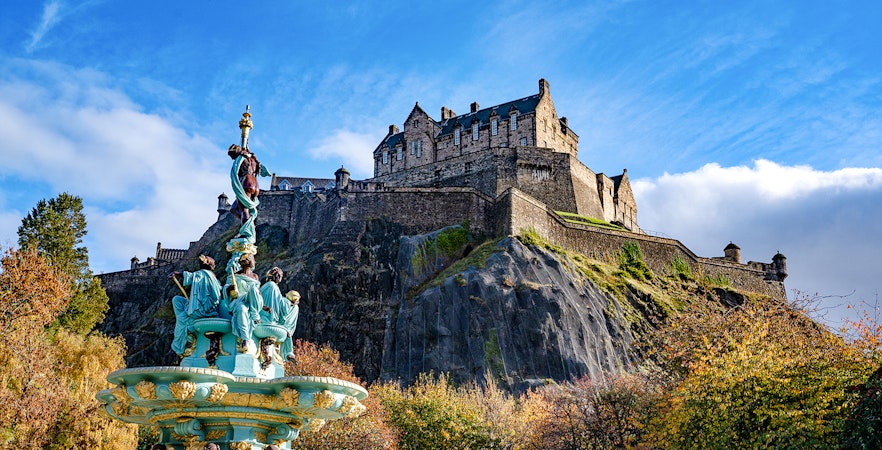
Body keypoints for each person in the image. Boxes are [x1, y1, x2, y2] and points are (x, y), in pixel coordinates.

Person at [169, 255, 221, 356]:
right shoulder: (210, 275)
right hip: (204, 306)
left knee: (181, 319)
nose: (214, 266)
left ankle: (177, 347)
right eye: (213, 264)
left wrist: (177, 273)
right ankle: (186, 318)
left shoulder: (202, 274)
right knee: (177, 300)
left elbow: (190, 276)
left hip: (203, 309)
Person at [224, 253, 263, 354]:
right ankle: (245, 339)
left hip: (253, 301)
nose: (254, 262)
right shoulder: (235, 275)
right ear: (248, 261)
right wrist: (230, 288)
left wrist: (264, 306)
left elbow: (258, 293)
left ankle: (254, 313)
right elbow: (225, 288)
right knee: (242, 309)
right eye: (253, 259)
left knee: (253, 289)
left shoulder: (255, 276)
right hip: (239, 301)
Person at [259, 267, 300, 362]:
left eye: (280, 276)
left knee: (295, 309)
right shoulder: (272, 286)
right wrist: (291, 303)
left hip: (268, 317)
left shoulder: (269, 286)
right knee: (285, 331)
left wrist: (291, 304)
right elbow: (279, 303)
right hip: (267, 318)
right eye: (279, 276)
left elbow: (279, 302)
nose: (279, 278)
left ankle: (288, 353)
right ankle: (287, 353)